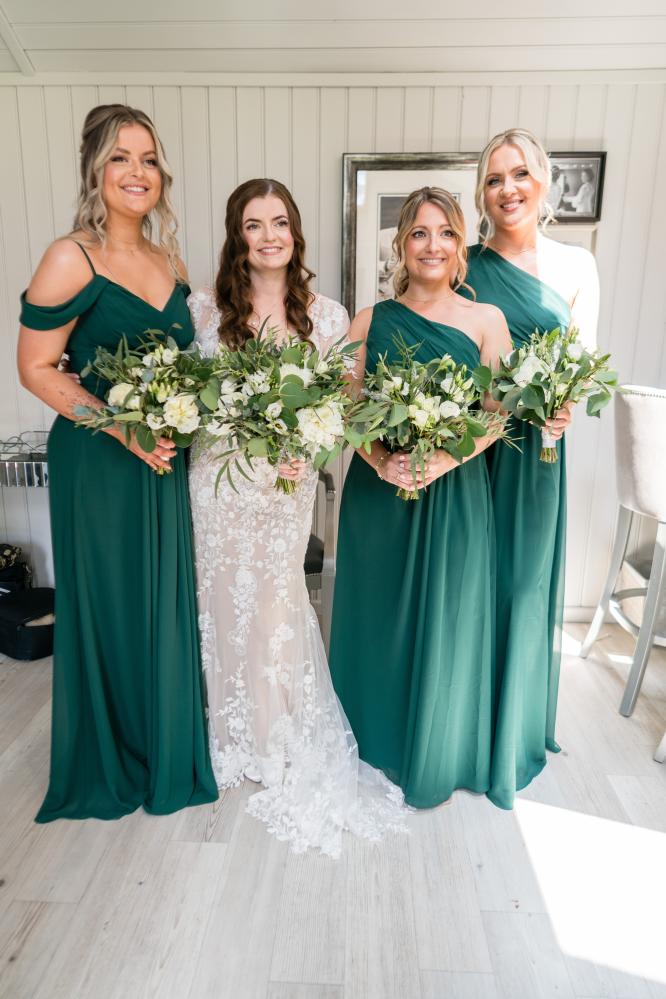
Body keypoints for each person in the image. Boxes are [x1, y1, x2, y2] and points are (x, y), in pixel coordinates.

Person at [187, 178, 406, 857]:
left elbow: (338, 409)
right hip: (218, 483)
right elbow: (190, 400)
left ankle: (277, 732)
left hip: (286, 484)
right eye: (253, 225)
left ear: (295, 231)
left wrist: (306, 451)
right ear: (238, 236)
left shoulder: (329, 317)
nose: (268, 236)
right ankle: (228, 736)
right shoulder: (204, 310)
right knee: (221, 602)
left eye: (279, 222)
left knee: (277, 602)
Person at [17, 104, 217, 822]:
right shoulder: (71, 256)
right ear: (94, 171)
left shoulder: (172, 263)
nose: (138, 172)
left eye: (149, 158)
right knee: (109, 600)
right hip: (100, 462)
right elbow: (36, 368)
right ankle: (108, 755)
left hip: (161, 460)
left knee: (160, 598)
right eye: (121, 158)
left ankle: (162, 746)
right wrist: (121, 427)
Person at [329, 187, 513, 809]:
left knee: (447, 619)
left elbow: (498, 414)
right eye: (419, 233)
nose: (433, 245)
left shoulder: (487, 321)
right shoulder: (368, 320)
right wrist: (383, 461)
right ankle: (370, 738)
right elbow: (346, 409)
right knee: (378, 616)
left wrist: (441, 460)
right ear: (401, 244)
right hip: (379, 494)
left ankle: (437, 748)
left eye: (446, 233)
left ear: (461, 245)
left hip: (454, 492)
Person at [463, 127, 600, 809]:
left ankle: (510, 732)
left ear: (543, 181)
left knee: (521, 584)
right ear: (481, 194)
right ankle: (461, 730)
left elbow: (586, 364)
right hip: (469, 446)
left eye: (519, 174)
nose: (507, 189)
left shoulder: (577, 265)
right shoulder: (463, 264)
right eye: (493, 179)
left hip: (537, 451)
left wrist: (567, 404)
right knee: (468, 582)